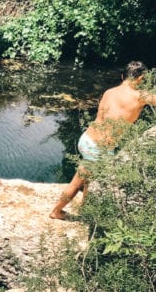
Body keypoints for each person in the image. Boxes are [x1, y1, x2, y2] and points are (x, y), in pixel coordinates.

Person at [50, 61, 156, 220]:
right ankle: (56, 211)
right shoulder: (140, 96)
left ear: (122, 76)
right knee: (77, 182)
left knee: (89, 179)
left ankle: (84, 209)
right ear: (141, 78)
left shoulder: (109, 92)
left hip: (86, 139)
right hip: (98, 148)